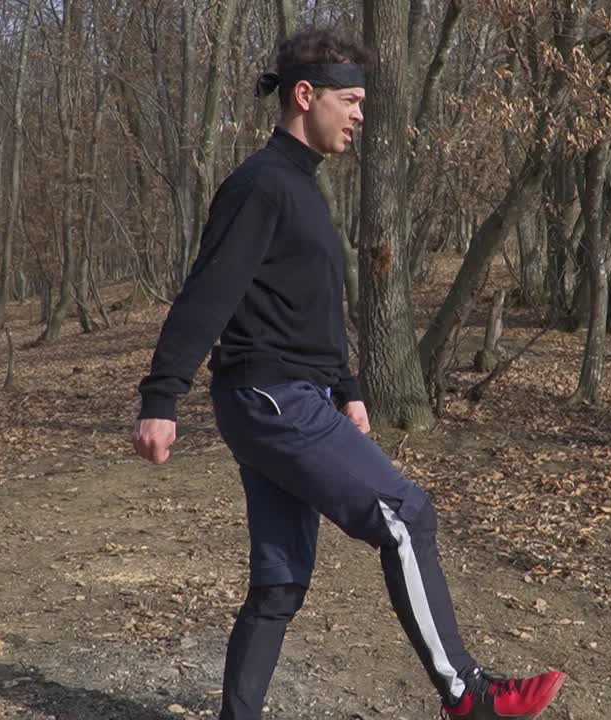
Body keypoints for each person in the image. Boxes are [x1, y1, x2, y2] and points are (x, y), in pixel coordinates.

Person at [131, 27, 566, 720]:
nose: (362, 114)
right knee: (404, 514)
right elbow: (207, 293)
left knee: (280, 583)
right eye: (351, 99)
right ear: (306, 96)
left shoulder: (303, 190)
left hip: (290, 396)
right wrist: (162, 396)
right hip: (270, 397)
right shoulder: (261, 187)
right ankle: (469, 694)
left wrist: (351, 389)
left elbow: (313, 310)